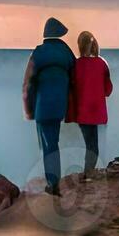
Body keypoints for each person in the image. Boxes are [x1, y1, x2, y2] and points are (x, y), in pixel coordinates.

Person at [22, 17, 76, 195]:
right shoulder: (66, 52)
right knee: (53, 141)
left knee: (48, 144)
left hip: (42, 107)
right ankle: (53, 180)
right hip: (60, 105)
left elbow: (28, 85)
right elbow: (75, 76)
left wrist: (29, 110)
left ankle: (53, 183)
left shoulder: (37, 53)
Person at [68, 30, 113, 180]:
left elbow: (72, 87)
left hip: (82, 111)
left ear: (79, 46)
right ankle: (89, 173)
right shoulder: (102, 64)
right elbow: (108, 90)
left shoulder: (75, 65)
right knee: (93, 145)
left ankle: (88, 173)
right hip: (97, 110)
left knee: (89, 144)